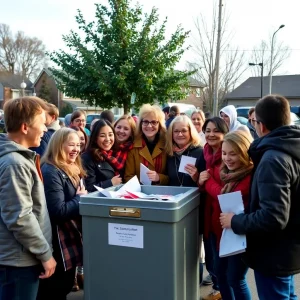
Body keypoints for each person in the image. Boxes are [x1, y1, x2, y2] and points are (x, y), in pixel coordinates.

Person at [220, 95, 300, 300]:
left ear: (261, 126)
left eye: (254, 122)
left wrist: (235, 221)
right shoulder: (290, 148)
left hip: (274, 253)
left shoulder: (273, 159)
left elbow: (273, 217)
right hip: (287, 249)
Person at [0, 97, 56, 300]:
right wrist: (45, 254)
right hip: (18, 262)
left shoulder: (18, 159)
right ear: (25, 127)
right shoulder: (15, 163)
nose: (45, 129)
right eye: (42, 123)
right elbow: (20, 217)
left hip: (19, 258)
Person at [201, 131, 253, 300]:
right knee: (221, 274)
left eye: (233, 154)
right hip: (221, 233)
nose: (227, 158)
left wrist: (207, 181)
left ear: (244, 153)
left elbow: (221, 195)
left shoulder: (249, 176)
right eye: (224, 153)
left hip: (239, 235)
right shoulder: (224, 171)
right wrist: (201, 178)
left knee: (235, 279)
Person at [37, 128, 87, 300]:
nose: (76, 149)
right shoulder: (51, 171)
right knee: (56, 289)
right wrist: (80, 199)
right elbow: (57, 211)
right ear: (58, 146)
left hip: (69, 238)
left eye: (78, 145)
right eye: (71, 145)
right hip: (58, 242)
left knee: (63, 286)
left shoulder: (71, 167)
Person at [198, 117, 229, 300]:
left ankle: (222, 291)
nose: (211, 134)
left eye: (216, 130)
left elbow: (225, 191)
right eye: (208, 130)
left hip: (224, 214)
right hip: (209, 212)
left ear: (224, 132)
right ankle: (218, 290)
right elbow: (204, 185)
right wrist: (200, 180)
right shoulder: (206, 152)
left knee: (223, 263)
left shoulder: (228, 154)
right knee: (211, 257)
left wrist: (207, 181)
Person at [124, 104, 168, 185]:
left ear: (160, 125)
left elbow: (172, 177)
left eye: (154, 122)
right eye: (146, 122)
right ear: (141, 124)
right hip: (139, 194)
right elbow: (128, 176)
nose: (149, 126)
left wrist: (159, 178)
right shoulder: (133, 147)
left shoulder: (167, 146)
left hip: (162, 193)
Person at [81, 119, 122, 192]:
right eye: (102, 136)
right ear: (95, 138)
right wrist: (110, 183)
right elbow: (89, 187)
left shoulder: (117, 154)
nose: (107, 139)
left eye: (110, 135)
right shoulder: (88, 157)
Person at [166, 115, 203, 186]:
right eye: (176, 131)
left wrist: (197, 177)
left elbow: (206, 184)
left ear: (190, 132)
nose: (180, 134)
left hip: (193, 195)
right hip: (173, 195)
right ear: (171, 134)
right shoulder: (169, 153)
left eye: (184, 131)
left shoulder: (200, 152)